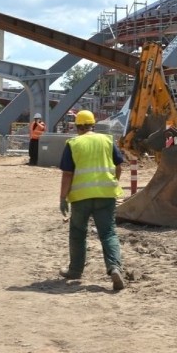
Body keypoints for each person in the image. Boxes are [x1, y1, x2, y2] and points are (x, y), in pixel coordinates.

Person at [58, 110, 126, 291]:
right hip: (106, 195)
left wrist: (62, 198)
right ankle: (114, 268)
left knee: (78, 232)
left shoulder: (73, 143)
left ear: (77, 126)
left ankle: (75, 270)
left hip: (81, 198)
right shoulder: (107, 140)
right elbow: (119, 166)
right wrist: (113, 183)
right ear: (93, 124)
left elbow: (67, 174)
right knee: (108, 233)